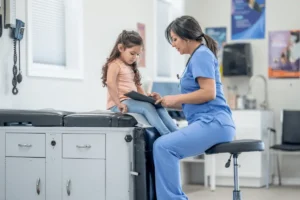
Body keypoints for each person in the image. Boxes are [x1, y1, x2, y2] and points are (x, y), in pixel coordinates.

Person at [150, 16, 236, 199]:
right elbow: (196, 99)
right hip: (209, 121)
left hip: (214, 122)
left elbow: (208, 93)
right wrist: (166, 101)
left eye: (174, 39)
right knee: (165, 144)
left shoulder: (202, 55)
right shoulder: (197, 57)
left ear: (186, 36)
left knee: (163, 147)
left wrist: (175, 98)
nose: (173, 45)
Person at [102, 30, 178, 135]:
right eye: (132, 53)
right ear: (121, 48)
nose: (135, 57)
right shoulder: (114, 64)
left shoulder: (130, 67)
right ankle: (166, 135)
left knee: (158, 106)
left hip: (131, 101)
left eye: (138, 54)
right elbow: (110, 83)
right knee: (146, 107)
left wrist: (148, 97)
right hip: (118, 103)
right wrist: (118, 103)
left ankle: (177, 134)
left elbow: (138, 87)